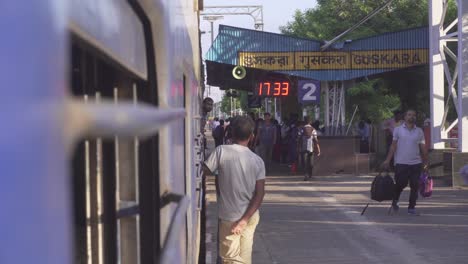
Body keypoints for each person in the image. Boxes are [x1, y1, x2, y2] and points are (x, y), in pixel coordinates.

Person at [203, 116, 266, 264]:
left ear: (230, 134)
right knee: (244, 259)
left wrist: (221, 171)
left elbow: (204, 171)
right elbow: (260, 194)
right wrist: (244, 220)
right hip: (250, 217)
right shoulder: (258, 161)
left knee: (230, 259)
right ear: (252, 136)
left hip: (230, 217)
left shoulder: (221, 152)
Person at [382, 109, 429, 215]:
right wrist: (387, 160)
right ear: (405, 117)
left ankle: (411, 208)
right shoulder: (398, 130)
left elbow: (423, 147)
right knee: (400, 184)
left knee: (415, 185)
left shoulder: (419, 131)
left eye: (413, 115)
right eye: (409, 115)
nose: (411, 117)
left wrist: (426, 162)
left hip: (416, 163)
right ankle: (395, 200)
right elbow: (393, 146)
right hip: (401, 163)